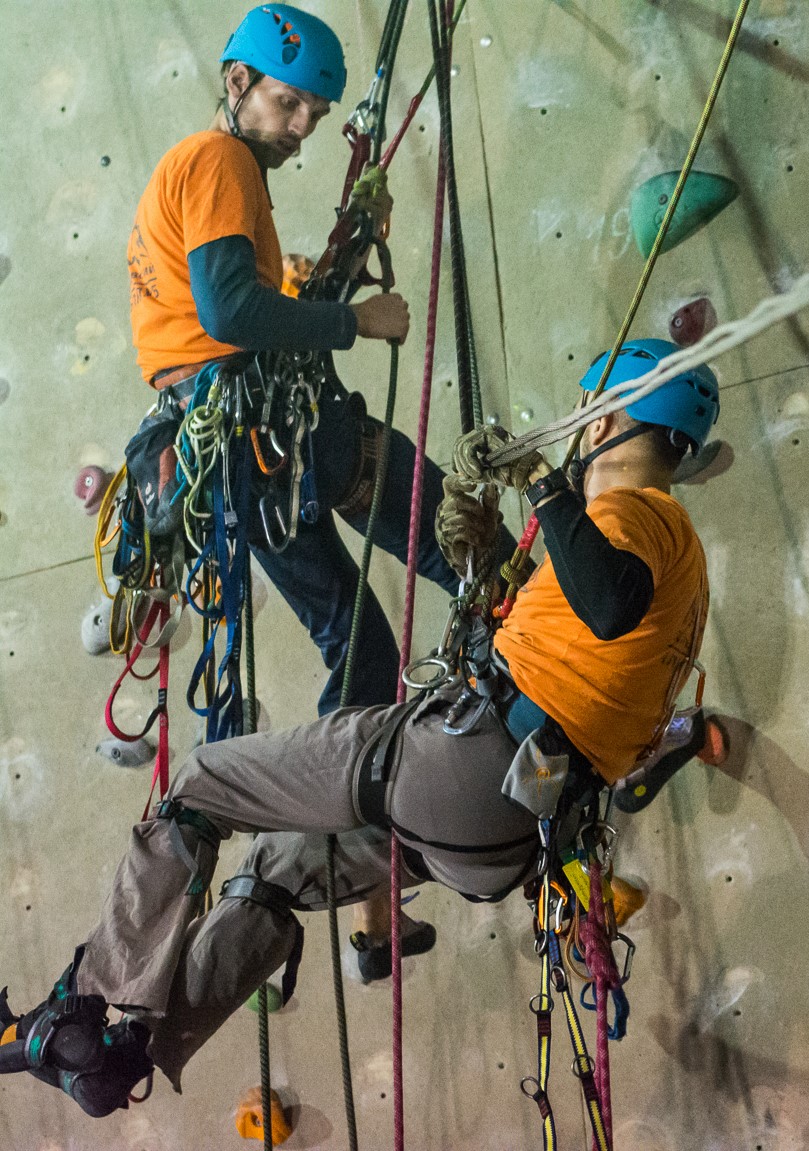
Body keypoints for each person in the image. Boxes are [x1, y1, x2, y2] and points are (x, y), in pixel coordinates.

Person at [0, 343, 720, 1119]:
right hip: (507, 830)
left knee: (202, 784)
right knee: (274, 870)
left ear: (605, 420)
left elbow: (609, 601)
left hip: (460, 757)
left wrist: (548, 490)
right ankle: (125, 1051)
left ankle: (86, 1002)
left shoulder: (634, 516)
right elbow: (580, 629)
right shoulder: (683, 576)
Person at [122, 4, 515, 978]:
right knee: (462, 555)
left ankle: (364, 900)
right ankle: (508, 740)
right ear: (236, 82)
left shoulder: (222, 174)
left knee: (368, 644)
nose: (300, 125)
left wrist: (325, 271)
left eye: (313, 111)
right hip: (267, 429)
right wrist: (354, 316)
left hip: (255, 439)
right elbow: (230, 310)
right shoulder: (215, 162)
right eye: (288, 102)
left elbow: (232, 306)